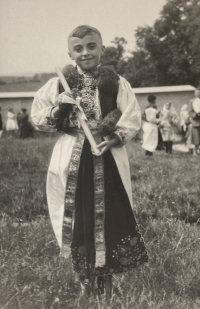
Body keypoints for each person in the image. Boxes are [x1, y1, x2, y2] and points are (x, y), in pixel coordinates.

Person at [31, 25, 148, 298]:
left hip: (106, 154)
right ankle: (84, 280)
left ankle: (106, 281)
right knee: (77, 216)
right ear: (70, 53)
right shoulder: (59, 83)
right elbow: (39, 117)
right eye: (78, 48)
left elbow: (131, 114)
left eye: (91, 46)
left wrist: (116, 138)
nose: (86, 53)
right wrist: (59, 107)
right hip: (71, 154)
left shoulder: (116, 81)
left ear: (102, 48)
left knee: (110, 215)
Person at [188, 86, 200, 156]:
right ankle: (195, 151)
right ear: (194, 93)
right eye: (197, 93)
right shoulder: (192, 101)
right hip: (196, 122)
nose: (198, 94)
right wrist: (196, 115)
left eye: (199, 93)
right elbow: (190, 111)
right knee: (196, 137)